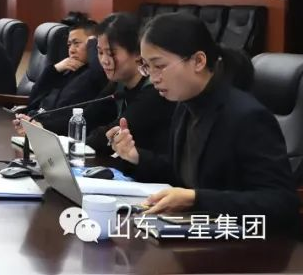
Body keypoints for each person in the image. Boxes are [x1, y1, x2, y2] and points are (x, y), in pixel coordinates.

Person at [107, 12, 298, 228]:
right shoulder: (184, 106)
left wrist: (196, 199)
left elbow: (282, 203)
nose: (153, 77)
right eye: (147, 67)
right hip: (200, 231)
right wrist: (136, 157)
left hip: (248, 241)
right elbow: (184, 176)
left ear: (198, 61)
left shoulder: (247, 117)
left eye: (159, 66)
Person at [16, 12, 173, 156]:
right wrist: (41, 126)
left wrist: (69, 146)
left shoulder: (154, 91)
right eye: (100, 52)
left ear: (138, 53)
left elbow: (107, 135)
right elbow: (87, 118)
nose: (104, 60)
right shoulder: (117, 85)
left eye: (111, 53)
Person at [10, 14, 108, 135]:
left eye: (77, 43)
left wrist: (93, 43)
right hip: (32, 125)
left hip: (53, 133)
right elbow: (33, 100)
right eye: (69, 45)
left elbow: (99, 74)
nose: (71, 50)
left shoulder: (96, 74)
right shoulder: (66, 69)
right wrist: (55, 69)